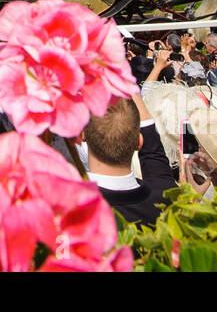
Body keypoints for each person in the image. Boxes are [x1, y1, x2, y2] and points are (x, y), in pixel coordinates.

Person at [74, 94, 175, 227]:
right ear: (138, 142)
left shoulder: (71, 206)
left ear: (82, 135)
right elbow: (154, 153)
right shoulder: (167, 196)